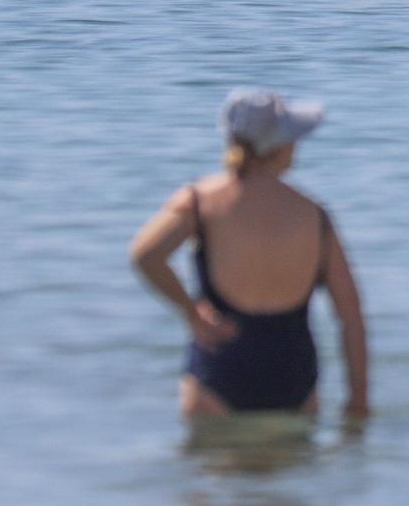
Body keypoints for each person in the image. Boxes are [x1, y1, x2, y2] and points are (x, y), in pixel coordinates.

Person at [130, 89, 370, 420]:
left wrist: (191, 313)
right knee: (292, 468)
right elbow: (350, 314)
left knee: (215, 464)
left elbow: (145, 256)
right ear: (282, 147)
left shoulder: (201, 202)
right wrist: (358, 400)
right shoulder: (314, 215)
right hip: (293, 376)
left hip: (220, 368)